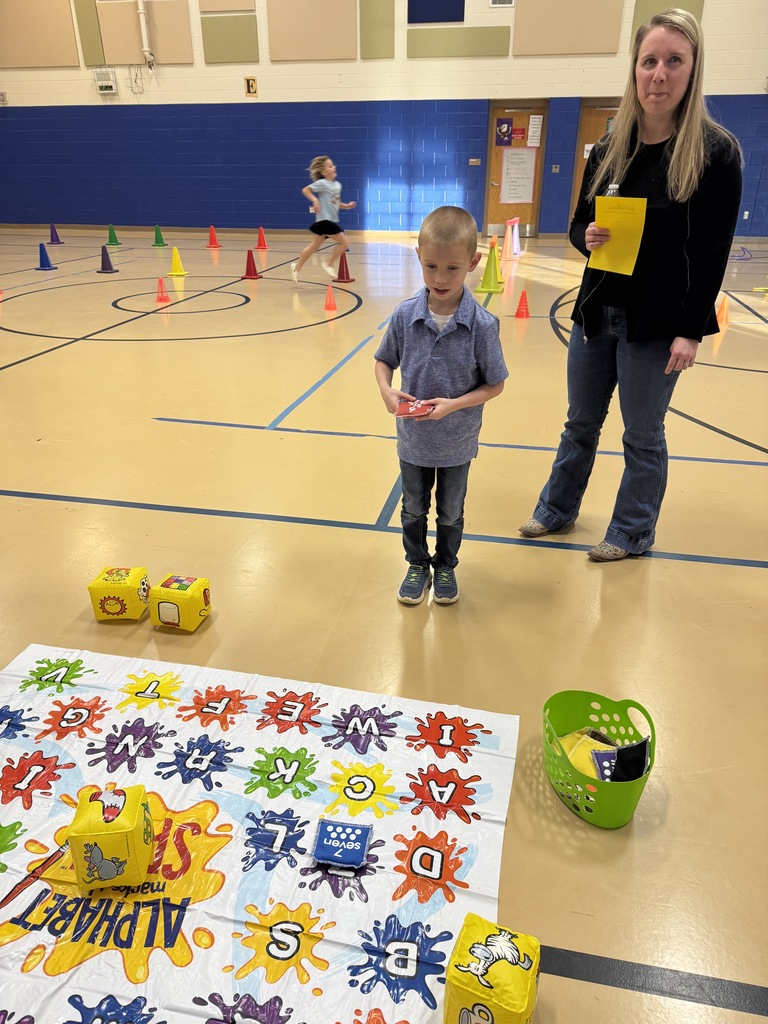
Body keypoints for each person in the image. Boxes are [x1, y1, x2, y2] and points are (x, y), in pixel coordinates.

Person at [519, 8, 742, 561]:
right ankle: (557, 508)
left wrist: (690, 332)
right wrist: (584, 236)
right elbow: (576, 225)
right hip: (597, 313)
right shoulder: (607, 149)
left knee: (643, 436)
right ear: (634, 71)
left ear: (692, 70)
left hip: (658, 324)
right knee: (580, 423)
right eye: (649, 62)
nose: (659, 74)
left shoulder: (716, 154)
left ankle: (632, 531)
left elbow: (712, 255)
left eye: (674, 61)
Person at [374, 206, 508, 605]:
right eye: (431, 266)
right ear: (418, 256)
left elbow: (495, 385)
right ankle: (417, 564)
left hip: (457, 442)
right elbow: (383, 360)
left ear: (473, 262)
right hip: (413, 441)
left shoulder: (482, 325)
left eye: (452, 268)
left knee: (450, 512)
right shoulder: (404, 315)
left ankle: (445, 565)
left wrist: (454, 405)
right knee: (413, 508)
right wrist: (385, 389)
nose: (439, 278)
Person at [291, 156, 356, 283]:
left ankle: (296, 267)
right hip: (324, 221)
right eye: (330, 166)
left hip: (328, 221)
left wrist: (346, 206)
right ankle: (329, 264)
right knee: (344, 243)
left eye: (333, 165)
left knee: (313, 247)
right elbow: (306, 190)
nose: (334, 167)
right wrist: (315, 200)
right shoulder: (322, 183)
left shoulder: (337, 185)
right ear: (324, 172)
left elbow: (335, 202)